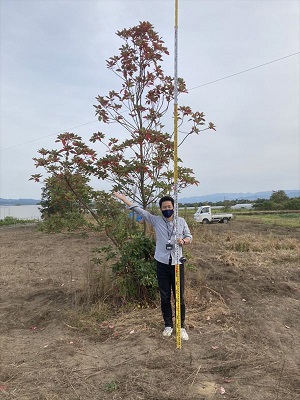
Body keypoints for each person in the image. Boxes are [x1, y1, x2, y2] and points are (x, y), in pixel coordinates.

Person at [114, 192, 192, 341]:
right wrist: (124, 199)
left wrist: (184, 241)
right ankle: (168, 325)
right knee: (164, 296)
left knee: (179, 296)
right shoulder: (156, 220)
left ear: (174, 208)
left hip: (177, 263)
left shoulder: (181, 221)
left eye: (169, 206)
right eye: (164, 207)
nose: (167, 209)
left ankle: (181, 327)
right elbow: (140, 211)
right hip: (162, 264)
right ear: (161, 209)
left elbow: (190, 237)